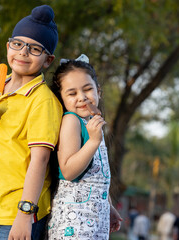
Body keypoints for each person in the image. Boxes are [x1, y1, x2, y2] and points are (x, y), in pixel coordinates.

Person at [0, 5, 63, 240]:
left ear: (47, 60)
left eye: (34, 49)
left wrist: (25, 214)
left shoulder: (43, 100)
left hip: (18, 213)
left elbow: (40, 159)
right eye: (17, 44)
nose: (23, 52)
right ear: (8, 46)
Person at [47, 54, 123, 239]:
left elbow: (100, 175)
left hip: (96, 219)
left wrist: (109, 206)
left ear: (99, 91)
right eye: (72, 93)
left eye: (88, 90)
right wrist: (93, 141)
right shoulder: (71, 121)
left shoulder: (92, 123)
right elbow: (68, 170)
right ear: (61, 98)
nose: (81, 98)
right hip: (73, 223)